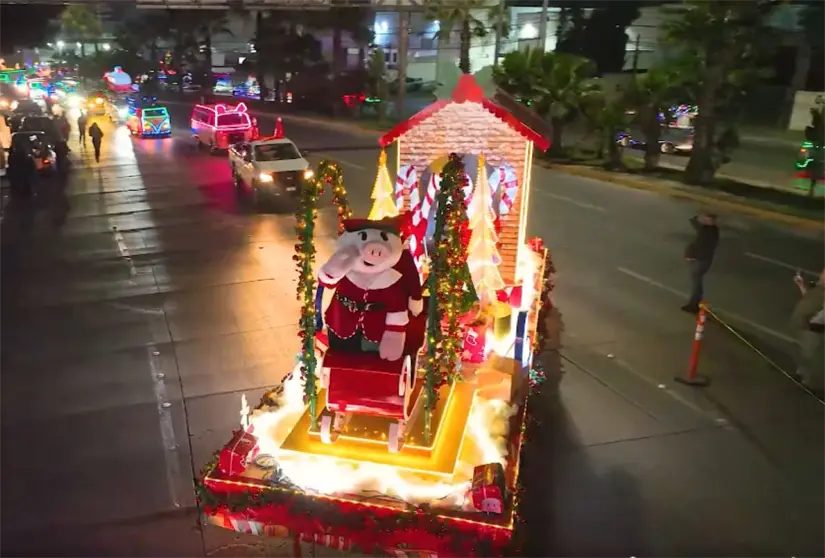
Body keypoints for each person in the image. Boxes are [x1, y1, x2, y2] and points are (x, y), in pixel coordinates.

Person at [793, 270, 825, 396]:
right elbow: (810, 300)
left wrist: (811, 323)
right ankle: (803, 374)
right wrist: (801, 285)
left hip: (816, 330)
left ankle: (811, 383)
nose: (821, 277)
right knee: (805, 351)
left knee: (812, 354)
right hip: (810, 329)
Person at [682, 212, 719, 313]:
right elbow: (693, 222)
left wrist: (694, 256)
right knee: (697, 283)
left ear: (713, 221)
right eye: (706, 219)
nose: (707, 221)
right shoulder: (705, 228)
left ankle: (694, 305)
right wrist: (698, 216)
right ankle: (695, 302)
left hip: (702, 260)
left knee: (696, 283)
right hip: (699, 259)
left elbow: (704, 247)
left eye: (709, 219)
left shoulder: (711, 232)